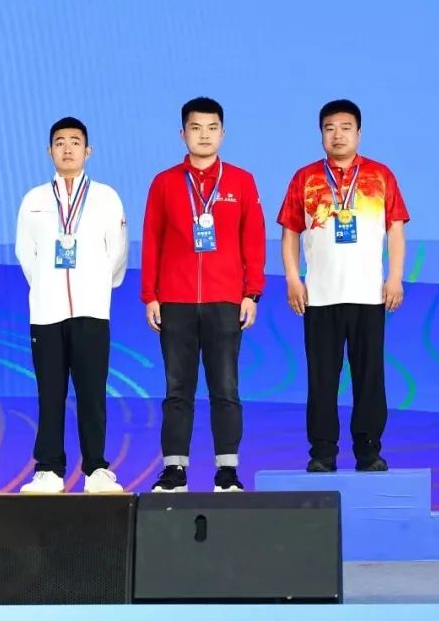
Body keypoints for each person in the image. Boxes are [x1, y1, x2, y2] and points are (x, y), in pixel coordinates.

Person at [141, 97, 266, 493]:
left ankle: (227, 472)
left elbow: (254, 239)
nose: (204, 135)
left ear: (223, 134)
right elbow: (152, 240)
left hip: (225, 301)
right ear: (183, 133)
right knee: (177, 390)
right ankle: (174, 471)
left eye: (212, 128)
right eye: (196, 128)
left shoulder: (241, 181)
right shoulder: (164, 183)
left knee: (225, 389)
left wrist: (252, 293)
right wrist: (150, 295)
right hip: (175, 301)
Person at [277, 99, 409, 472]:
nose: (338, 135)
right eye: (330, 128)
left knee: (370, 377)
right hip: (319, 297)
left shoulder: (381, 176)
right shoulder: (305, 178)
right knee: (321, 379)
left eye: (346, 127)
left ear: (359, 133)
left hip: (369, 295)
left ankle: (368, 451)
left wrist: (395, 277)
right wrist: (293, 278)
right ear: (321, 134)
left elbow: (396, 230)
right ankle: (322, 452)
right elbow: (290, 233)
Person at [15, 117, 127, 494]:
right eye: (60, 142)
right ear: (49, 151)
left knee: (92, 393)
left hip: (92, 310)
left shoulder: (106, 198)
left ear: (88, 151)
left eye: (75, 142)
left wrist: (96, 286)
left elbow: (117, 252)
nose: (67, 148)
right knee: (50, 393)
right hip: (46, 313)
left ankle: (96, 468)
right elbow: (25, 253)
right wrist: (46, 286)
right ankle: (49, 469)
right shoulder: (33, 200)